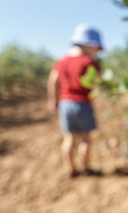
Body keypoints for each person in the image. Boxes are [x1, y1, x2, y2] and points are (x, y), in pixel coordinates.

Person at [47, 23, 103, 178]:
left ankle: (70, 171)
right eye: (95, 49)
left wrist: (53, 101)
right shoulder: (90, 62)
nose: (96, 52)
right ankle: (86, 170)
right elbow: (99, 83)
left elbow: (53, 81)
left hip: (65, 104)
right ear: (88, 44)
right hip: (83, 104)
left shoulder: (62, 60)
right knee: (85, 139)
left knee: (69, 138)